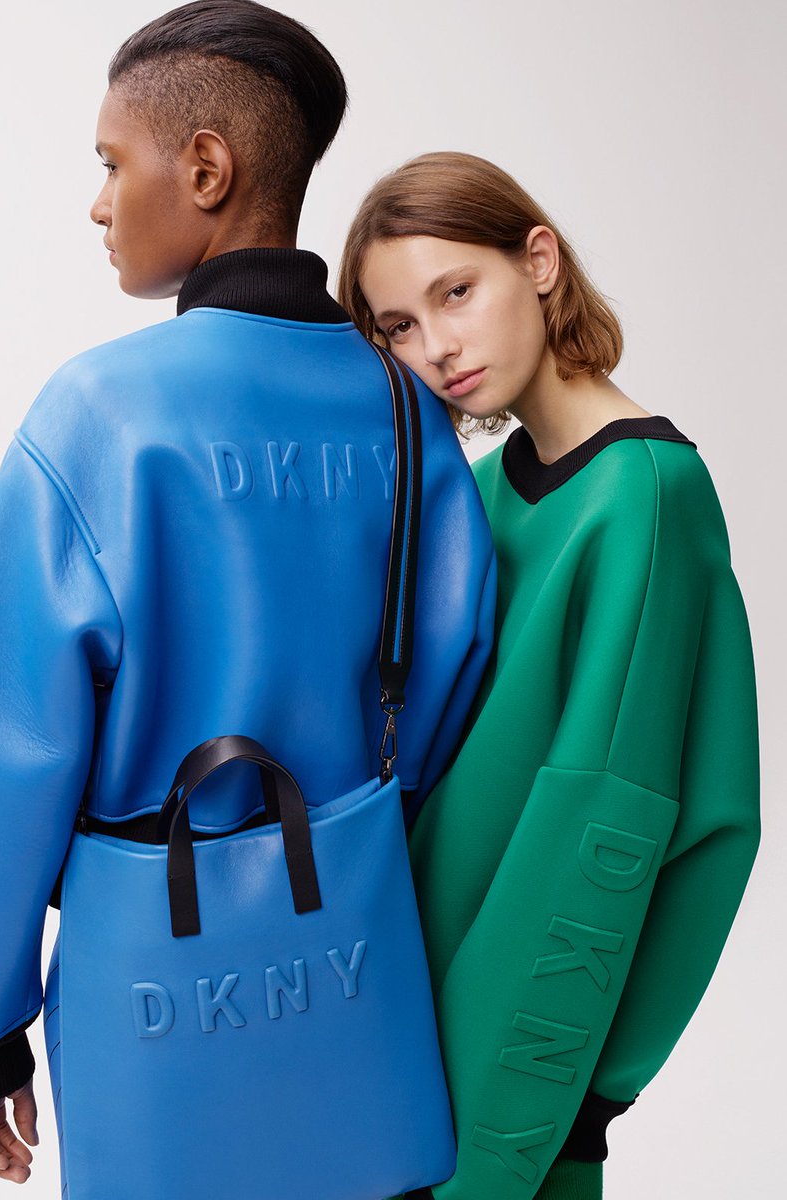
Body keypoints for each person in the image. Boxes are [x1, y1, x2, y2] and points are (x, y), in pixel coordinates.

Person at [0, 11, 497, 1192]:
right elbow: (448, 692)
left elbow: (2, 742)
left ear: (208, 169)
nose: (98, 204)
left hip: (151, 996)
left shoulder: (99, 413)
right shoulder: (406, 413)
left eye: (111, 163)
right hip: (356, 974)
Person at [337, 151, 761, 1200]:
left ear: (538, 261)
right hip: (405, 1007)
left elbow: (633, 822)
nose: (436, 347)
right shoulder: (479, 493)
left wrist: (581, 1094)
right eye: (398, 326)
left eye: (456, 293)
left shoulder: (646, 495)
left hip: (520, 1039)